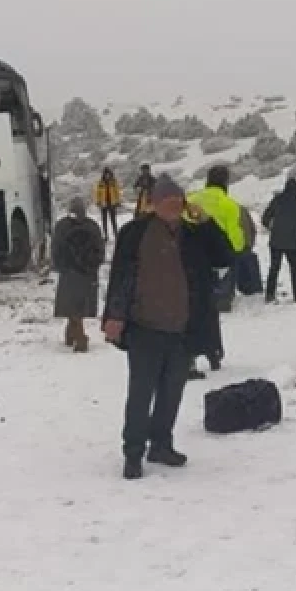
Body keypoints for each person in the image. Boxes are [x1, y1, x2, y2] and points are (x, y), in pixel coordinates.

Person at [102, 174, 234, 480]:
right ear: (155, 204)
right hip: (144, 327)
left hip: (182, 330)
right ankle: (133, 452)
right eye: (167, 201)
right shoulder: (134, 234)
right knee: (140, 393)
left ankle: (161, 444)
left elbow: (226, 256)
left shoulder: (194, 235)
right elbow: (121, 277)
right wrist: (114, 316)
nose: (174, 206)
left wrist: (206, 224)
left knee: (171, 393)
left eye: (179, 201)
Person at [186, 165, 247, 374]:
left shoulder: (192, 199)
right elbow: (236, 241)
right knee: (211, 308)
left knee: (191, 308)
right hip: (216, 263)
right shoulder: (230, 205)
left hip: (189, 262)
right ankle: (214, 351)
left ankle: (191, 355)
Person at [51, 197, 106, 353]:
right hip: (87, 274)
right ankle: (71, 333)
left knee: (72, 307)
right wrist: (92, 265)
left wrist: (60, 266)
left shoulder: (62, 226)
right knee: (79, 307)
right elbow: (100, 250)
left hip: (69, 273)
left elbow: (56, 248)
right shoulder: (92, 226)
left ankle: (80, 338)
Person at [261, 178, 296, 303]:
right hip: (292, 240)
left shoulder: (278, 199)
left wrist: (271, 228)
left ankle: (269, 295)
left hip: (276, 239)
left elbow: (265, 218)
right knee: (294, 268)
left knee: (274, 267)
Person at [94, 168, 122, 242]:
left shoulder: (113, 182)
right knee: (104, 221)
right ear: (104, 174)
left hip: (112, 203)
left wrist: (118, 201)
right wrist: (98, 201)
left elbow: (117, 192)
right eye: (106, 174)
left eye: (108, 174)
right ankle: (106, 236)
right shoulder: (101, 183)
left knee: (113, 220)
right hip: (103, 204)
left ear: (110, 174)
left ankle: (116, 235)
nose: (107, 175)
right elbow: (97, 193)